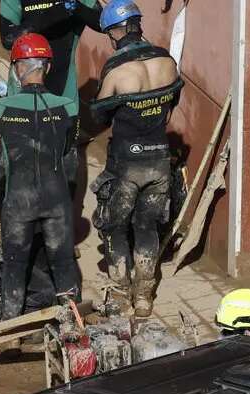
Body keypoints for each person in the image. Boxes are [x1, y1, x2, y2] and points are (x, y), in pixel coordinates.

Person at [90, 0, 182, 317]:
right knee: (147, 228)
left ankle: (120, 294)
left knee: (115, 229)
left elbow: (99, 116)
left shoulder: (116, 70)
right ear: (138, 24)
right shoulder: (167, 62)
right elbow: (171, 105)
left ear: (115, 31)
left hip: (125, 163)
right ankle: (144, 296)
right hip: (159, 160)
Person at [0, 33, 81, 320]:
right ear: (48, 67)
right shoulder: (68, 106)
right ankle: (72, 328)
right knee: (62, 264)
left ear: (16, 69)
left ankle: (10, 332)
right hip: (57, 200)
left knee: (14, 266)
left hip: (18, 201)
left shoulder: (2, 108)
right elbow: (68, 146)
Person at [0, 0, 99, 103]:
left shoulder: (73, 3)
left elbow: (102, 22)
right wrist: (60, 10)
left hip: (64, 82)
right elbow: (8, 38)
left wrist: (76, 6)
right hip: (23, 80)